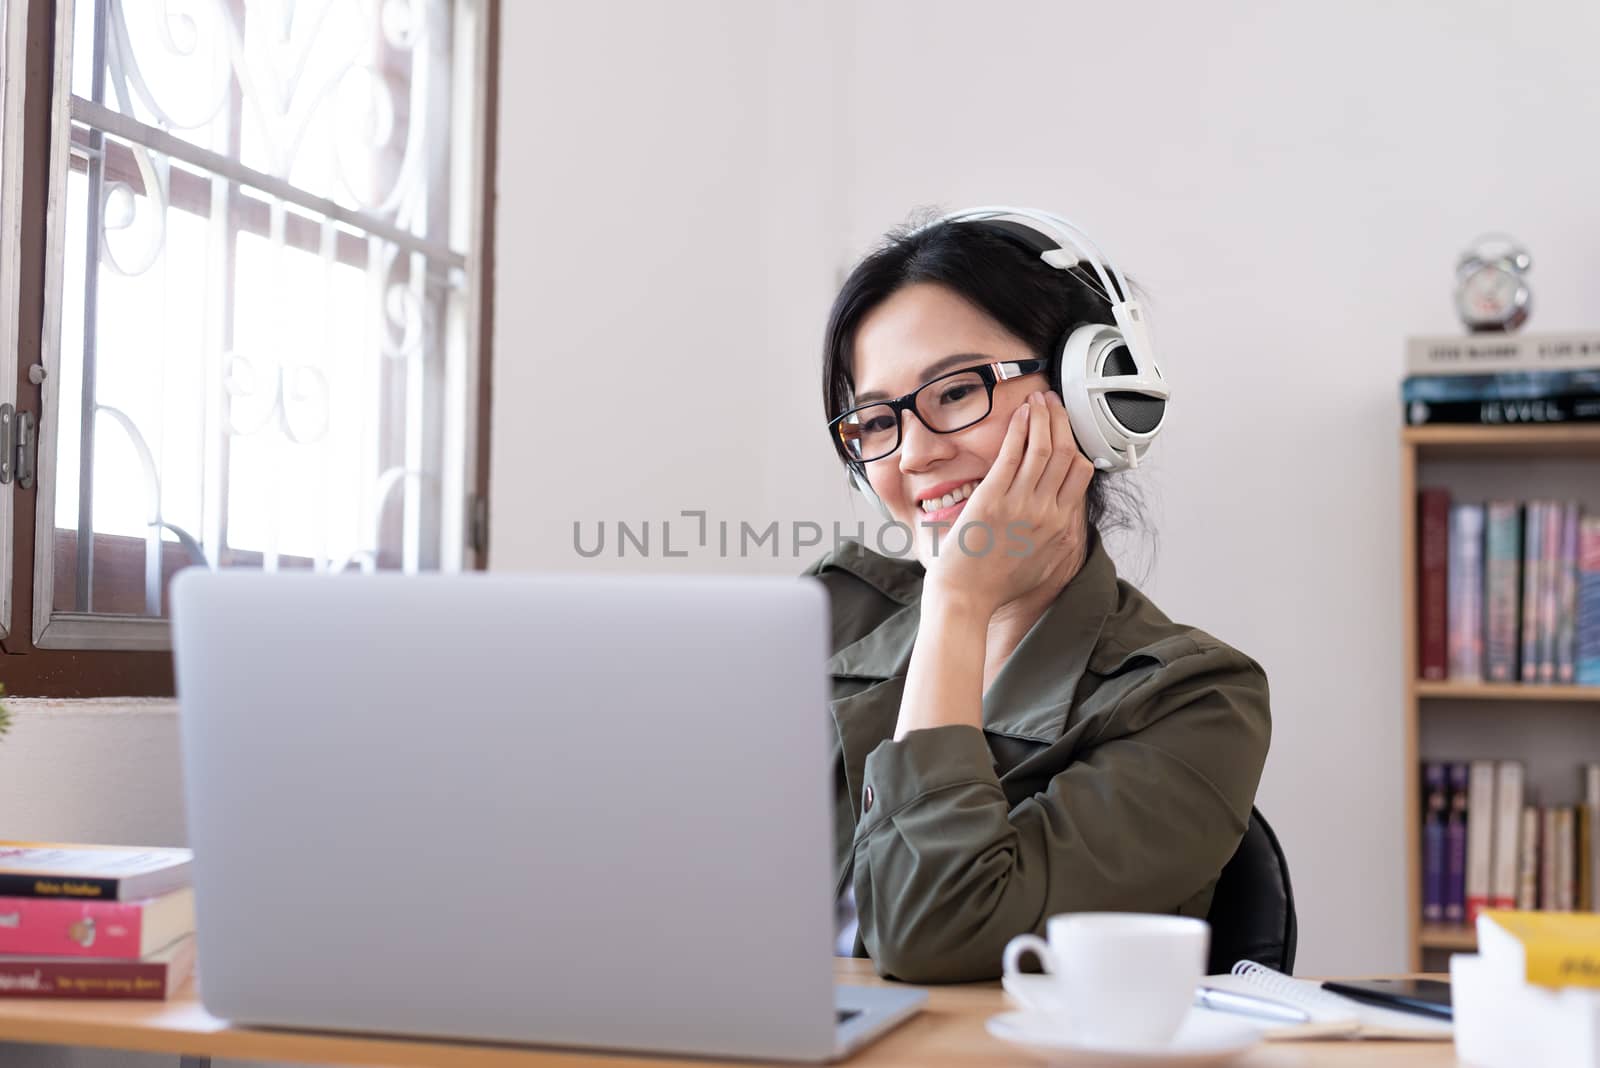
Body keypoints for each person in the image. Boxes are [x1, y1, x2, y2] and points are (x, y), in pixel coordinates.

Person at [806, 209, 1270, 984]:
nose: (915, 452)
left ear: (1093, 396)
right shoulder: (833, 616)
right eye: (876, 420)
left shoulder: (1197, 700)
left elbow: (933, 930)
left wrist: (958, 601)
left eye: (956, 392)